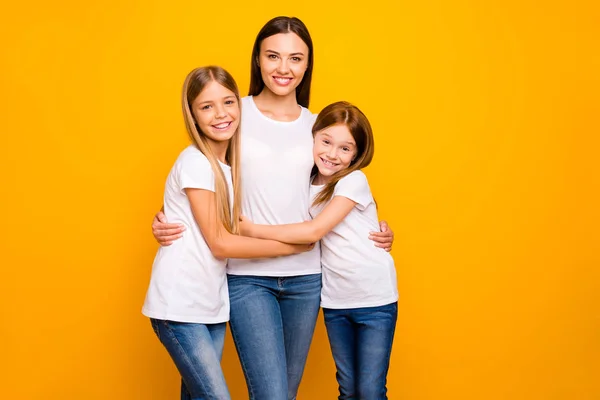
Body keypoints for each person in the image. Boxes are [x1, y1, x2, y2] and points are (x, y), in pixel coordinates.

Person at [151, 17, 395, 400]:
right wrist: (167, 217)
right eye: (273, 56)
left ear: (307, 66)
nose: (284, 68)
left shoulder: (319, 127)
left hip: (307, 279)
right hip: (247, 278)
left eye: (295, 58)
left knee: (286, 394)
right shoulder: (232, 113)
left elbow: (343, 188)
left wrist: (376, 233)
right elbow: (204, 172)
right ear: (258, 60)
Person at [142, 66, 311, 400]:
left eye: (228, 102)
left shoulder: (225, 167)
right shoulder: (196, 162)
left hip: (209, 304)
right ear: (192, 115)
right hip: (179, 305)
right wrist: (289, 246)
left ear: (240, 106)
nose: (221, 114)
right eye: (206, 106)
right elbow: (220, 243)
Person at [240, 101, 398, 400]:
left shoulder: (353, 180)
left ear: (357, 154)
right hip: (336, 300)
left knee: (370, 390)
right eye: (326, 142)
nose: (332, 154)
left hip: (374, 298)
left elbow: (313, 231)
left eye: (345, 149)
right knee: (348, 390)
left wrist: (252, 229)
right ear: (312, 138)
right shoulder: (308, 180)